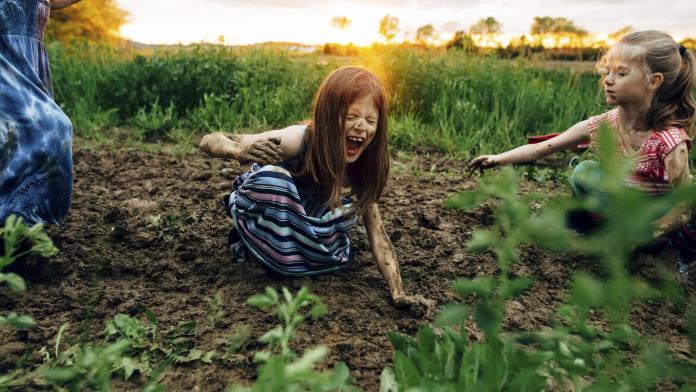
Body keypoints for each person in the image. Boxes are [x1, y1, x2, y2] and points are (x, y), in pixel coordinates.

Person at [200, 66, 435, 313]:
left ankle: (296, 263)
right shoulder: (300, 140)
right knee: (271, 178)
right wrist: (238, 151)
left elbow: (378, 236)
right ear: (328, 115)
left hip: (315, 249)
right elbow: (210, 140)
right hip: (273, 230)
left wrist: (399, 293)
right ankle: (262, 253)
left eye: (370, 120)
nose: (360, 127)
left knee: (346, 208)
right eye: (351, 116)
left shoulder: (363, 171)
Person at [469, 31, 696, 274]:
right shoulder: (601, 124)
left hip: (655, 220)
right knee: (585, 171)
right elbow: (541, 149)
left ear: (654, 82)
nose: (608, 80)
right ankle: (600, 231)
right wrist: (498, 158)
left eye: (621, 73)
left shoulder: (669, 141)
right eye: (607, 71)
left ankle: (674, 255)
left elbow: (683, 205)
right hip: (620, 210)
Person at [0, 0, 81, 226]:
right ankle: (16, 218)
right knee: (53, 128)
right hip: (5, 63)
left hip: (27, 62)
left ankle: (18, 226)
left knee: (19, 140)